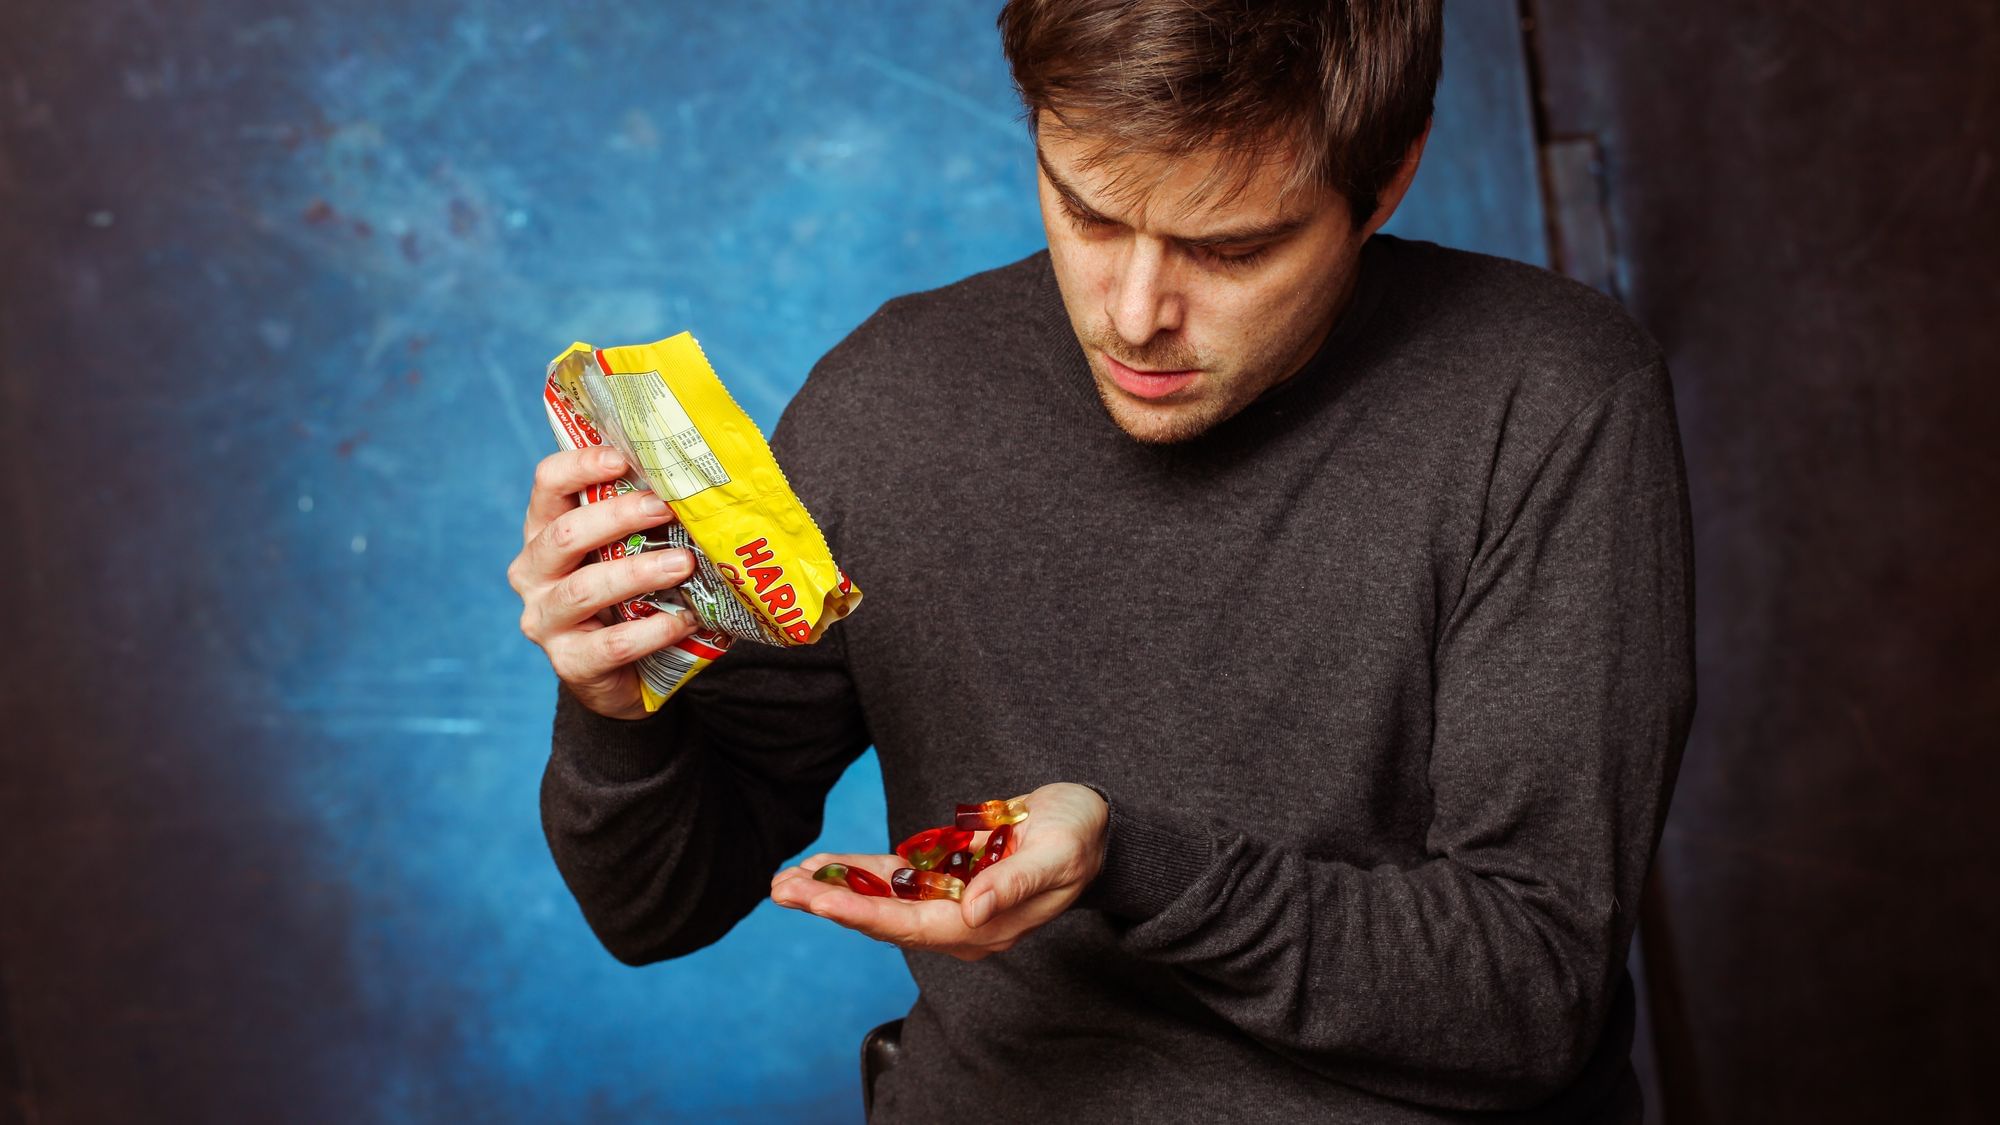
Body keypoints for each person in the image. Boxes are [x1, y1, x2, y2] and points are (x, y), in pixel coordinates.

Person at [507, 1, 1694, 1120]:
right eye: (1087, 213)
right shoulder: (891, 400)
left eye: (1228, 251)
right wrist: (618, 708)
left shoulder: (1547, 400)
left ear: (1385, 180)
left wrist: (1132, 862)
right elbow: (655, 908)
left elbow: (1529, 993)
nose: (1132, 314)